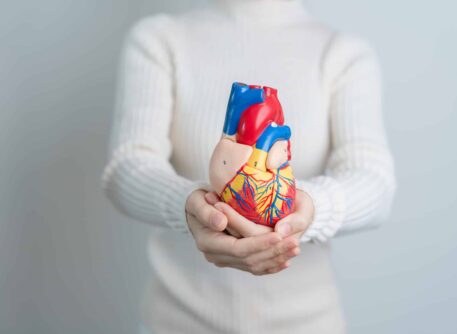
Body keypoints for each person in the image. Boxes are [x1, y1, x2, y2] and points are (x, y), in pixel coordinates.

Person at [101, 0, 397, 333]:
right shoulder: (160, 38)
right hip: (176, 321)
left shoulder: (343, 54)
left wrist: (309, 210)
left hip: (308, 324)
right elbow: (126, 167)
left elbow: (374, 180)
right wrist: (188, 206)